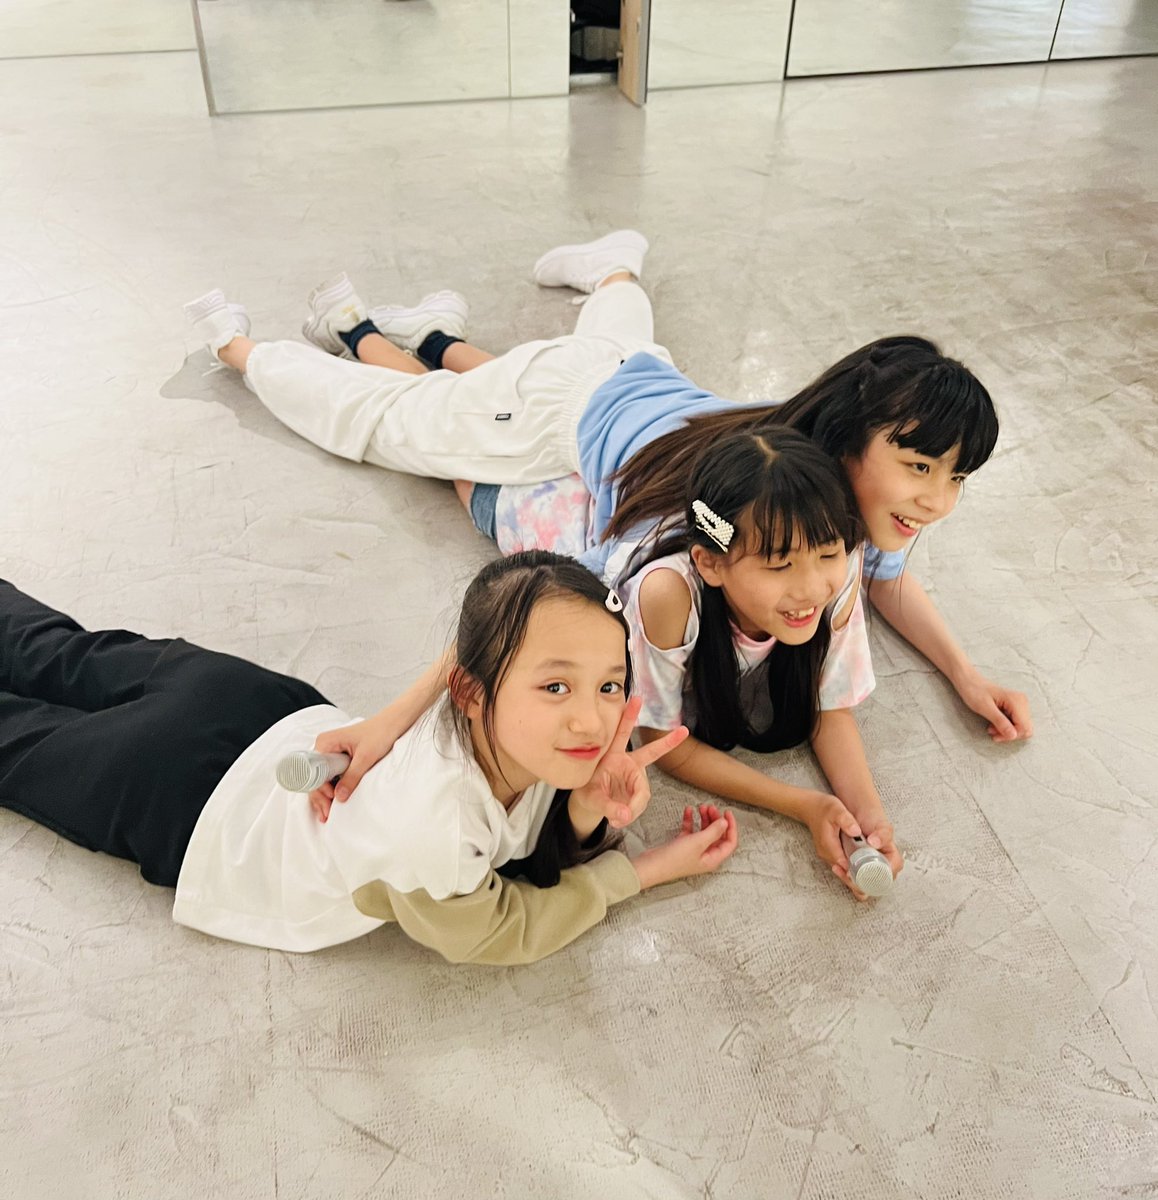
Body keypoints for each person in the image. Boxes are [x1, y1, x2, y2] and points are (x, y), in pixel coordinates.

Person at [183, 230, 1030, 747]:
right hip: (561, 406)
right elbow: (590, 579)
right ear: (849, 441)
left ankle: (605, 274)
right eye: (920, 468)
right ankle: (242, 349)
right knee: (388, 422)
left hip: (635, 374)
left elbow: (890, 580)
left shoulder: (833, 488)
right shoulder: (739, 506)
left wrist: (965, 674)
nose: (936, 501)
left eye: (955, 476)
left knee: (574, 352)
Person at [0, 555, 737, 964]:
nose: (593, 718)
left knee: (50, 649)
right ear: (472, 691)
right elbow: (502, 928)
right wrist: (644, 870)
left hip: (257, 707)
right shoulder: (431, 831)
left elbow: (493, 624)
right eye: (555, 686)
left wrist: (583, 811)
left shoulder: (529, 732)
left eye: (610, 685)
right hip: (191, 804)